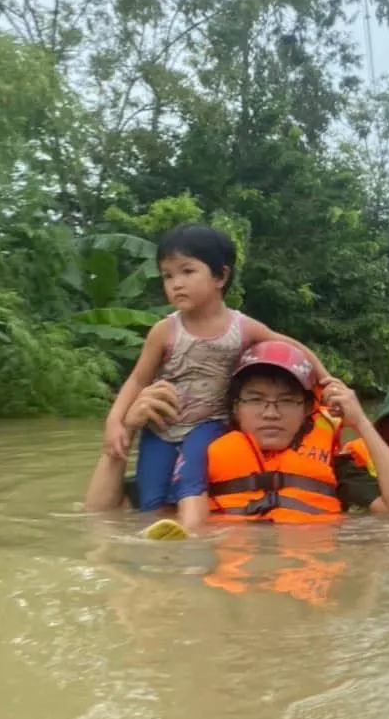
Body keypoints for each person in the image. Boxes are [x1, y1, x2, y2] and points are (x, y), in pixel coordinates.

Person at [102, 222, 329, 532]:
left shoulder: (241, 327)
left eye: (187, 271)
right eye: (167, 276)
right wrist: (116, 421)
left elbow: (289, 345)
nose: (175, 284)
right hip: (162, 423)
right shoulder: (164, 331)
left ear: (220, 276)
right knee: (150, 489)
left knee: (192, 477)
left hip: (210, 422)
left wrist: (327, 380)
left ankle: (192, 532)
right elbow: (138, 380)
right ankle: (155, 540)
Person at [86, 342, 389, 525]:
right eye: (255, 399)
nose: (270, 413)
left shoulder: (334, 466)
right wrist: (126, 429)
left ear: (306, 409)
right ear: (235, 408)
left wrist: (361, 422)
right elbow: (99, 513)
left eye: (286, 401)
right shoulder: (200, 460)